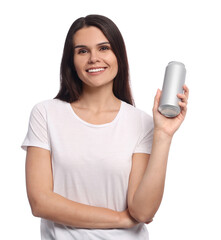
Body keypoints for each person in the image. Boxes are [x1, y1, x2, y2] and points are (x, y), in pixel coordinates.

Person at [21, 14, 189, 240]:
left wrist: (163, 134)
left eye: (103, 48)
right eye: (82, 51)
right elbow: (40, 202)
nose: (93, 58)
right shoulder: (46, 114)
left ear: (118, 55)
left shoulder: (141, 123)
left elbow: (142, 211)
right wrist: (120, 219)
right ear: (71, 60)